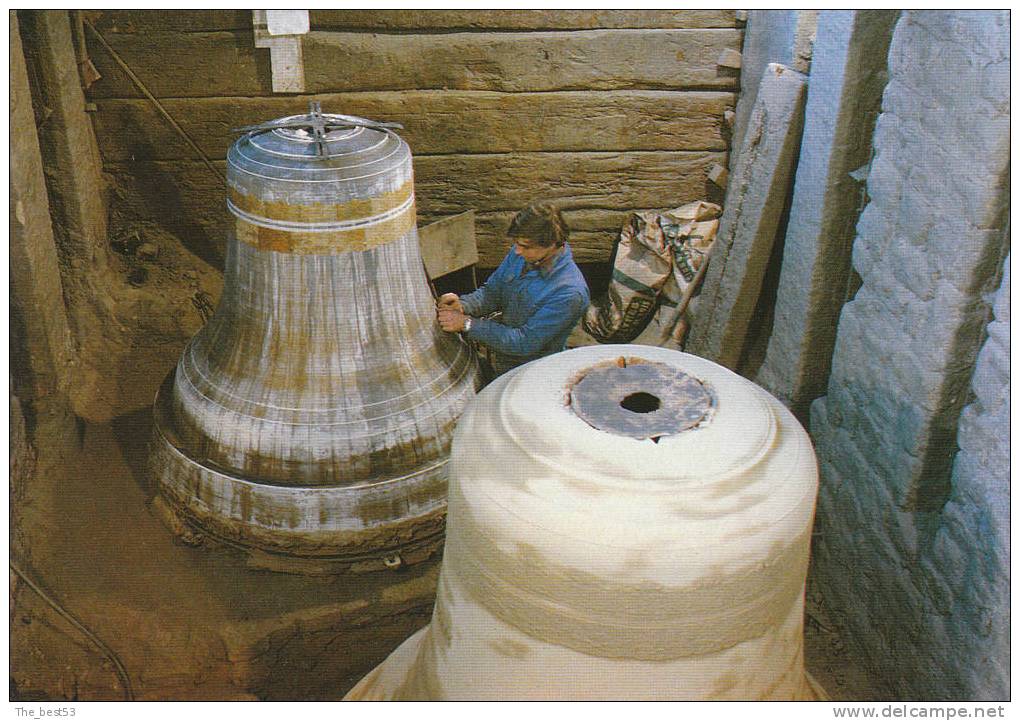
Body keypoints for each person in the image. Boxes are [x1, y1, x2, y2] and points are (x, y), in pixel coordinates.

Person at [436, 203, 590, 378]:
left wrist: (468, 324)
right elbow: (492, 292)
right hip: (501, 352)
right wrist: (463, 305)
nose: (517, 251)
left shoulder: (569, 293)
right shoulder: (523, 255)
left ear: (552, 244)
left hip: (531, 370)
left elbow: (524, 342)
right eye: (516, 243)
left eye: (525, 246)